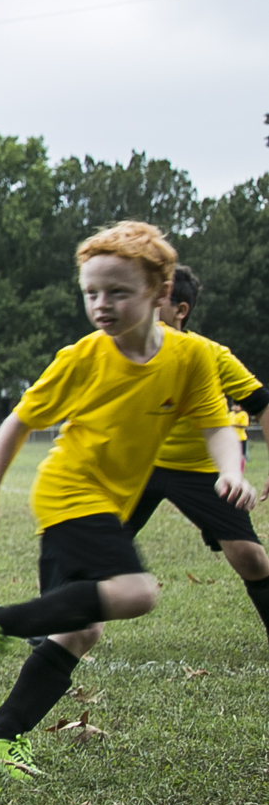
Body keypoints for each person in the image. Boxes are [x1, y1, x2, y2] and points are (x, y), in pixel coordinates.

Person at [0, 222, 252, 782]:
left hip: (108, 502)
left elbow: (216, 424)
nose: (101, 304)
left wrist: (232, 470)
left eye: (117, 292)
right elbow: (19, 421)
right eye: (91, 292)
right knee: (138, 592)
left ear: (161, 294)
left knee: (82, 628)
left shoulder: (189, 359)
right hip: (70, 491)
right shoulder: (83, 357)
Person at [119, 265, 269, 641]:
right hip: (138, 466)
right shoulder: (122, 349)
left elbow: (263, 404)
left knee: (250, 556)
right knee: (86, 543)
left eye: (159, 295)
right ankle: (54, 629)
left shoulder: (211, 355)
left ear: (180, 310)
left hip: (200, 470)